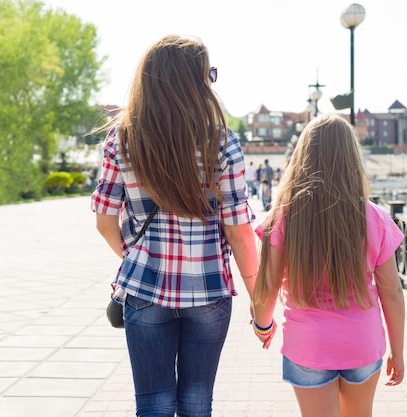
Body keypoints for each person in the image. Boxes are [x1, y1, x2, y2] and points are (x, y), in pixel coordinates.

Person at [90, 34, 258, 417]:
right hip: (209, 288)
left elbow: (104, 222)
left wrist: (139, 258)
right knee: (197, 404)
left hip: (144, 288)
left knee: (153, 404)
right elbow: (239, 231)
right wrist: (260, 302)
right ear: (196, 81)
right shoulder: (223, 143)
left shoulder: (123, 137)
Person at [252, 114, 405, 417]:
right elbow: (393, 294)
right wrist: (397, 353)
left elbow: (266, 288)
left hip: (308, 345)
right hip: (362, 343)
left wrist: (263, 324)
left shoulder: (283, 217)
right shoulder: (374, 219)